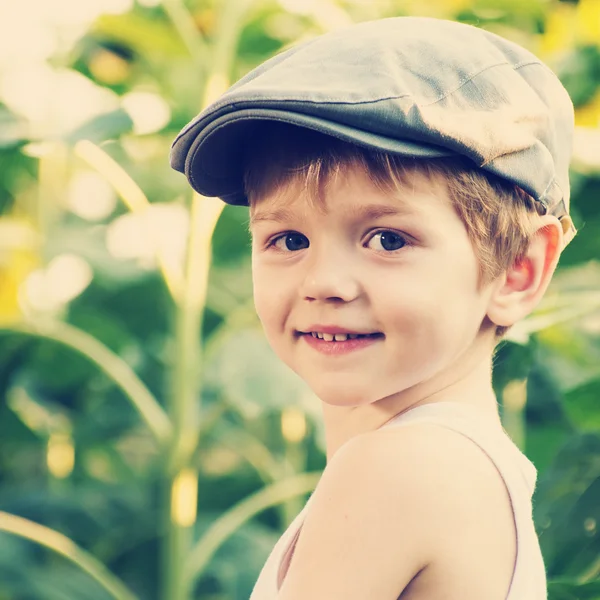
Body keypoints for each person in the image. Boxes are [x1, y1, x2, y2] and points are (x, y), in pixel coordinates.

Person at [170, 16, 577, 600]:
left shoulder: (399, 470)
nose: (324, 283)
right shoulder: (470, 467)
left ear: (518, 269)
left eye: (387, 239)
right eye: (288, 240)